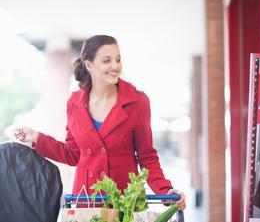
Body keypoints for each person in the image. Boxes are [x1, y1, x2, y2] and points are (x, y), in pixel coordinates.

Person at [14, 35, 186, 210]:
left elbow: (147, 157)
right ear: (89, 65)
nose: (115, 66)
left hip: (125, 202)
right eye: (107, 61)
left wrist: (166, 192)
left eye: (118, 60)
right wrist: (36, 138)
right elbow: (73, 154)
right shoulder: (74, 102)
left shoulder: (137, 102)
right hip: (87, 201)